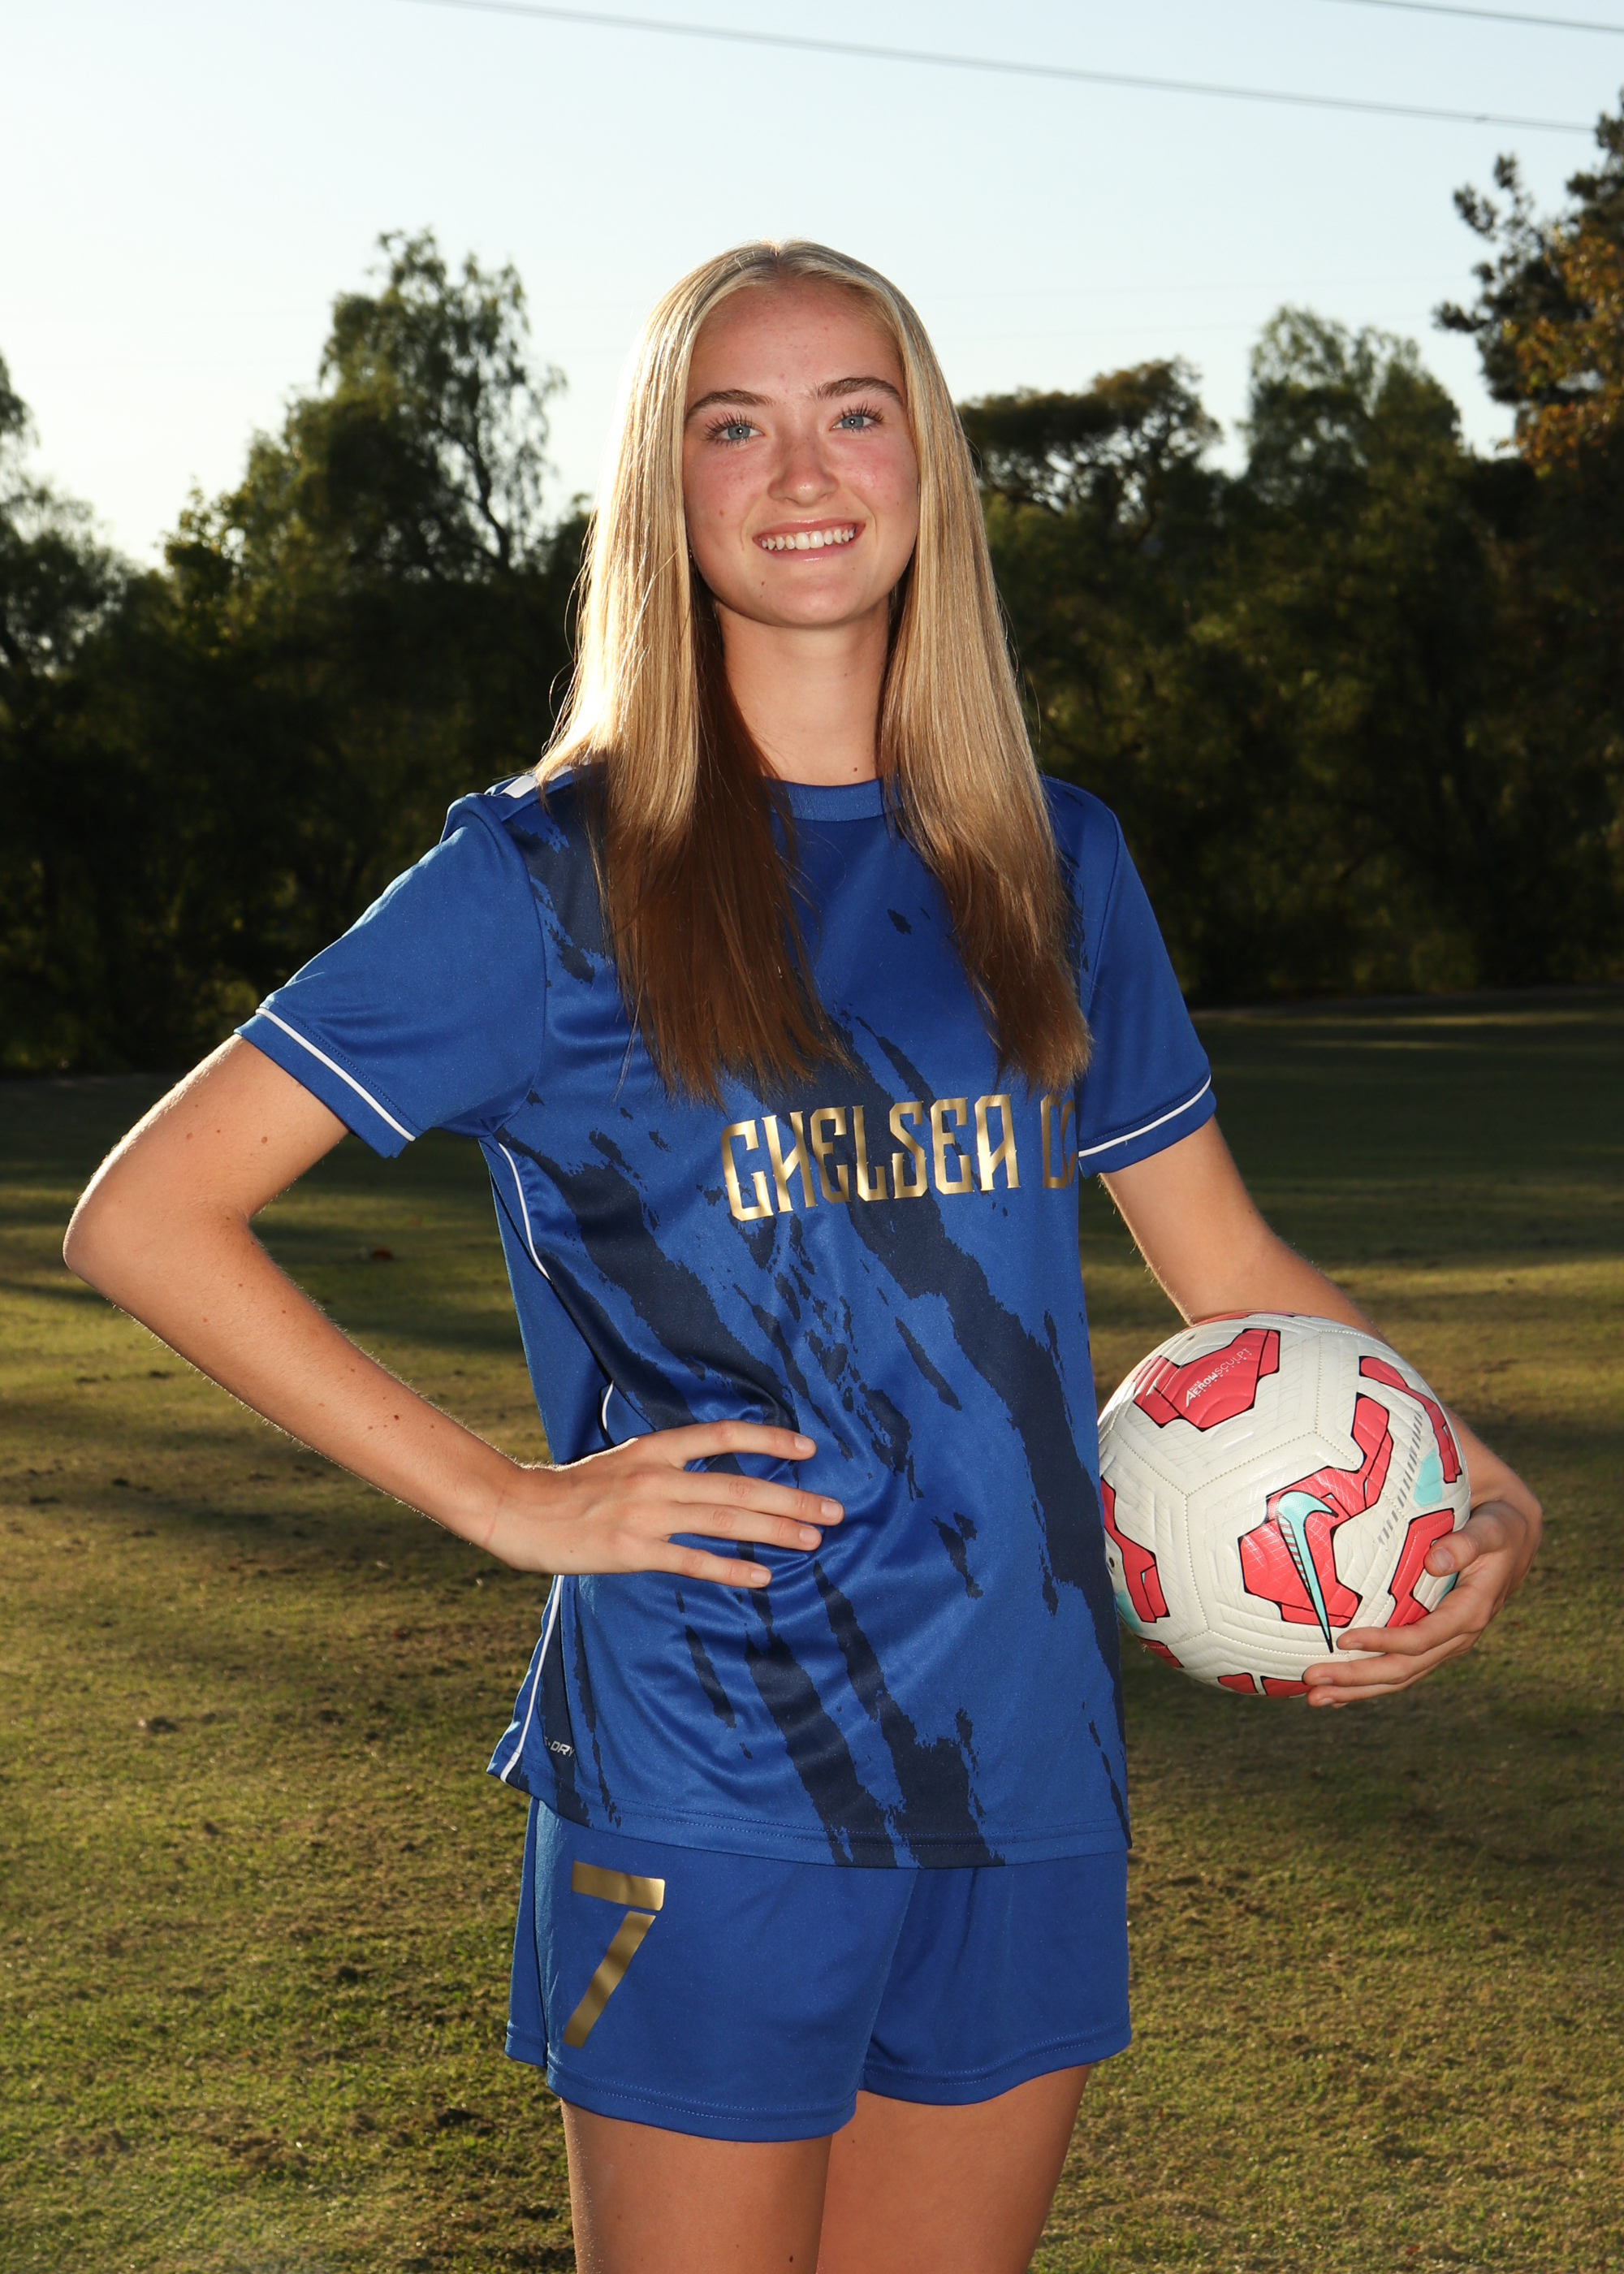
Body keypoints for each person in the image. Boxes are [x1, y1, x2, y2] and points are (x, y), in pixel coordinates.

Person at [63, 240, 1541, 2274]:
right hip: (710, 1760)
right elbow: (147, 1211)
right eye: (732, 426)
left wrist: (1466, 1475)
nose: (803, 470)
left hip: (1025, 1749)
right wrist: (505, 1497)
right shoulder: (547, 878)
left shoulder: (1048, 856)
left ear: (926, 462)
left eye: (856, 412)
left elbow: (1224, 1253)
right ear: (660, 490)